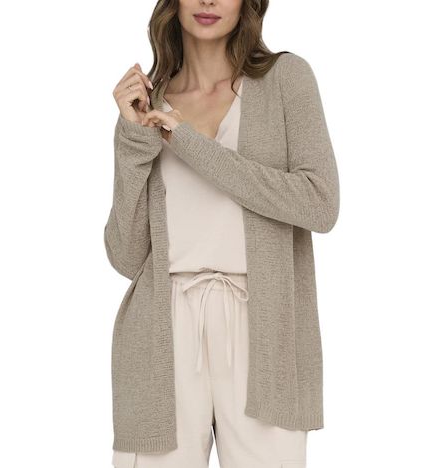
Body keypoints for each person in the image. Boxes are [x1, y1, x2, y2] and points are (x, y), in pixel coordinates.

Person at [104, 0, 340, 467]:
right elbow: (125, 256)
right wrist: (133, 142)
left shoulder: (286, 80)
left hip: (265, 325)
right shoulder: (147, 106)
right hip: (163, 330)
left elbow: (320, 204)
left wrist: (188, 142)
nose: (208, 1)